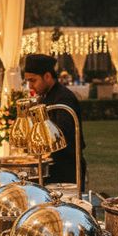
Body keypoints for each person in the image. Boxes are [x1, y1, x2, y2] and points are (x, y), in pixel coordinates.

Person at [23, 53, 86, 185]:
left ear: (47, 76)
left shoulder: (63, 98)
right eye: (28, 81)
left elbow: (61, 134)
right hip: (52, 167)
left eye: (33, 80)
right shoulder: (44, 97)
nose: (30, 86)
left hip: (65, 170)